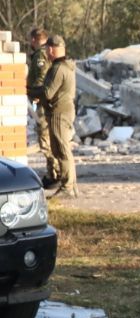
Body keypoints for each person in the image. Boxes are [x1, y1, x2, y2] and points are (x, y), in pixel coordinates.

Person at [35, 34, 77, 198]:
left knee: (62, 149)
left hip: (59, 112)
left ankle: (67, 187)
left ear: (51, 49)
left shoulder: (58, 69)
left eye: (46, 48)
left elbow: (47, 93)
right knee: (60, 149)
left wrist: (31, 91)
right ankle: (70, 185)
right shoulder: (65, 66)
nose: (45, 51)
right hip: (62, 111)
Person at [25, 28, 53, 187]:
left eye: (30, 40)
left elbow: (41, 78)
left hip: (42, 102)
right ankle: (53, 173)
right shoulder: (44, 53)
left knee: (45, 139)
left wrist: (34, 93)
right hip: (43, 101)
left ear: (35, 39)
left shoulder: (40, 55)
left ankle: (54, 174)